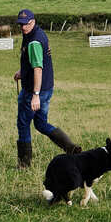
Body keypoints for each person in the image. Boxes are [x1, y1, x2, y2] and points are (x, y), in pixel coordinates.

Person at [13, 9, 80, 169]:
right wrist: (23, 71)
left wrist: (35, 95)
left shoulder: (34, 41)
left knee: (23, 123)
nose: (23, 28)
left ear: (33, 22)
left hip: (35, 90)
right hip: (47, 87)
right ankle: (71, 148)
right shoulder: (37, 33)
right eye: (21, 24)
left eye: (26, 24)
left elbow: (38, 68)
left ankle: (24, 164)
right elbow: (37, 59)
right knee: (41, 124)